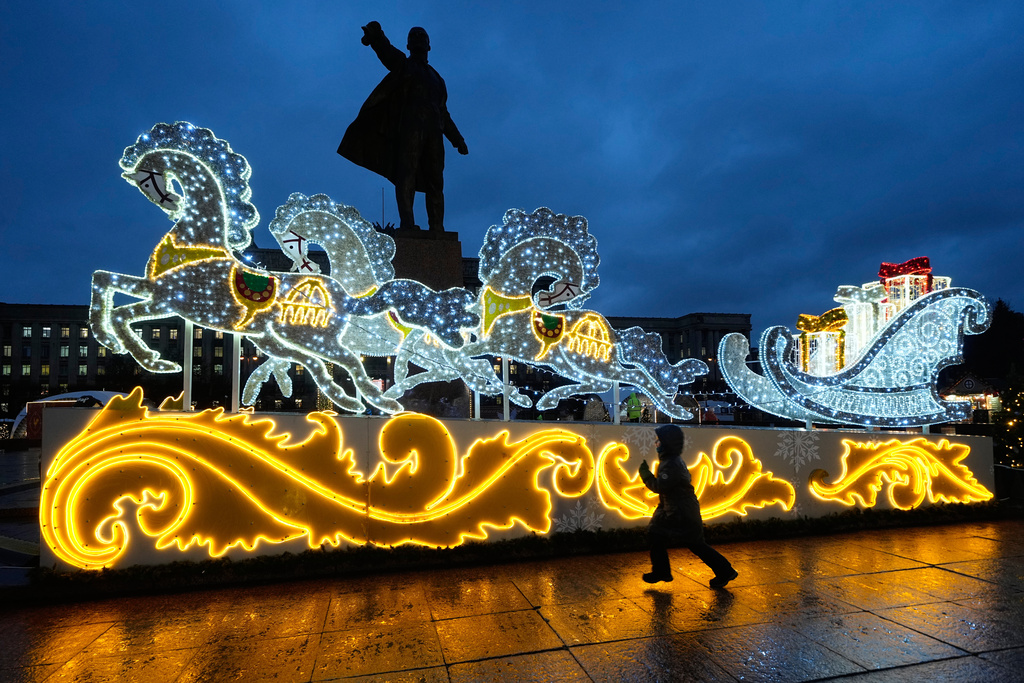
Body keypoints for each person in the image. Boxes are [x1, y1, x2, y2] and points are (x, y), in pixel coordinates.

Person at [338, 22, 468, 232]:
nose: (417, 38)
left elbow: (443, 112)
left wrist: (458, 140)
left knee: (436, 180)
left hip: (434, 134)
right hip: (410, 128)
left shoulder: (438, 79)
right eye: (413, 36)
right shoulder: (404, 65)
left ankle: (437, 228)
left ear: (429, 45)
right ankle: (408, 223)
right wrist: (376, 35)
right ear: (408, 45)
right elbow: (386, 52)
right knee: (406, 174)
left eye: (421, 36)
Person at [638, 424, 738, 587]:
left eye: (659, 440)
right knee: (691, 543)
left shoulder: (671, 464)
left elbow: (660, 486)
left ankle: (662, 571)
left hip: (679, 513)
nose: (656, 443)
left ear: (667, 443)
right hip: (681, 510)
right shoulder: (670, 461)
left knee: (659, 535)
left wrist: (645, 474)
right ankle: (724, 571)